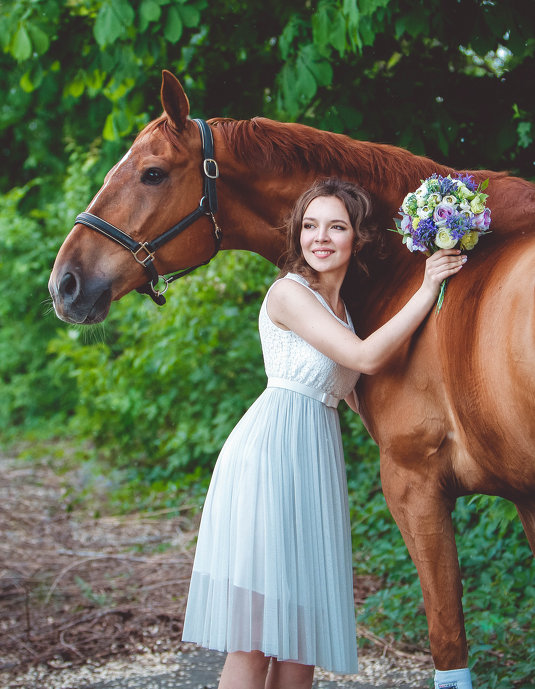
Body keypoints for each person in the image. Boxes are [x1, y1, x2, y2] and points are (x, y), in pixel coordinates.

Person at [181, 178, 466, 689]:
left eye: (336, 226)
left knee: (300, 645)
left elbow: (362, 398)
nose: (321, 237)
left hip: (313, 463)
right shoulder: (289, 293)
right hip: (269, 458)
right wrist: (427, 287)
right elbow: (366, 359)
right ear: (298, 234)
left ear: (357, 237)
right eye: (310, 225)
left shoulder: (346, 315)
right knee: (255, 641)